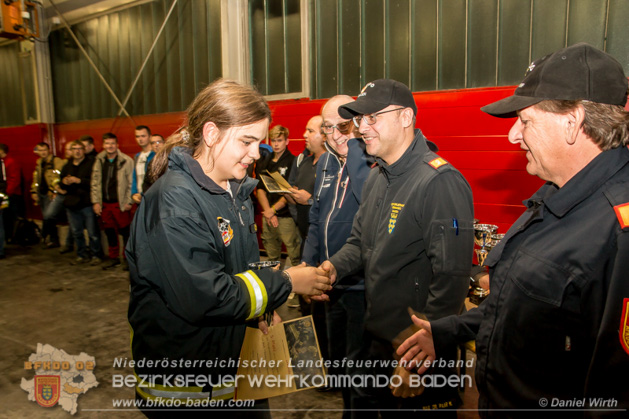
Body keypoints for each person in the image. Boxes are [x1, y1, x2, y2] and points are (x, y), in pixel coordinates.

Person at [397, 43, 629, 416]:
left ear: (573, 122)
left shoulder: (618, 232)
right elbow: (532, 305)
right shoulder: (556, 197)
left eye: (526, 120)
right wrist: (448, 330)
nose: (513, 136)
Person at [126, 78, 332, 416]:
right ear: (211, 134)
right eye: (247, 141)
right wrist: (286, 283)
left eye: (260, 142)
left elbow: (239, 271)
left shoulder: (232, 191)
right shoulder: (175, 201)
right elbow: (205, 296)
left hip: (234, 373)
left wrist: (262, 308)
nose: (256, 153)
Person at [321, 79, 475, 415]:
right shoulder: (380, 176)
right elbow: (359, 242)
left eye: (372, 118)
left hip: (419, 348)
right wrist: (331, 270)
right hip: (380, 340)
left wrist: (419, 357)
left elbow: (450, 279)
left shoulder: (438, 181)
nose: (362, 128)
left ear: (406, 117)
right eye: (359, 120)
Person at [301, 95, 376, 417]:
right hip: (330, 282)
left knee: (361, 368)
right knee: (340, 362)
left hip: (362, 285)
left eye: (343, 125)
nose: (335, 135)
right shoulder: (327, 162)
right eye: (328, 127)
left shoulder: (369, 158)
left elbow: (368, 201)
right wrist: (307, 261)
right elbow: (317, 216)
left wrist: (355, 150)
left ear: (358, 122)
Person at [255, 125, 301, 267]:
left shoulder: (293, 161)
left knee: (294, 252)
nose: (275, 144)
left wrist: (273, 210)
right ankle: (275, 283)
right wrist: (268, 212)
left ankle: (299, 284)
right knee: (271, 252)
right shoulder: (265, 161)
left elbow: (290, 191)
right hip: (267, 213)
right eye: (273, 140)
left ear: (286, 141)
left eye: (279, 140)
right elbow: (260, 188)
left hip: (286, 215)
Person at [90, 133, 133, 270]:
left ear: (117, 145)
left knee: (125, 232)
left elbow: (131, 183)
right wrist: (96, 202)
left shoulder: (126, 160)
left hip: (120, 204)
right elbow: (95, 183)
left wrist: (129, 201)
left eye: (112, 143)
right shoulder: (99, 160)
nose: (110, 146)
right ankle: (113, 257)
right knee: (109, 232)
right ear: (103, 145)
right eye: (107, 143)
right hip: (105, 204)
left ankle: (127, 259)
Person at [58, 140, 104, 265]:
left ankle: (96, 255)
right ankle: (81, 254)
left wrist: (79, 181)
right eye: (74, 149)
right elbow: (60, 183)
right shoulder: (67, 166)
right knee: (76, 232)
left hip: (86, 203)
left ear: (84, 150)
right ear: (71, 151)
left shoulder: (91, 164)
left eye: (80, 149)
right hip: (71, 204)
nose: (77, 151)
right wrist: (65, 182)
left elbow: (95, 182)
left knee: (92, 232)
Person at [30, 142, 64, 248]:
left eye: (44, 150)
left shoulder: (56, 161)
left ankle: (45, 236)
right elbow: (36, 179)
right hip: (42, 194)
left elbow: (58, 177)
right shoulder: (39, 163)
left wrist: (53, 190)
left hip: (51, 194)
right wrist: (34, 191)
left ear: (49, 150)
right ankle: (53, 240)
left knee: (49, 216)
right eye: (40, 150)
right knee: (47, 217)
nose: (43, 152)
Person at [0, 143, 23, 249]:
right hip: (7, 194)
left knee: (9, 218)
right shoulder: (4, 162)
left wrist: (6, 193)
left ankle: (12, 237)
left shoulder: (10, 162)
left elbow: (14, 180)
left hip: (11, 195)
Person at [131, 125, 155, 204]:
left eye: (143, 136)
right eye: (137, 136)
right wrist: (133, 193)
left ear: (150, 137)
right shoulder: (137, 156)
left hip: (152, 197)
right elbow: (135, 177)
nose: (140, 139)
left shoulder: (155, 155)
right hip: (139, 198)